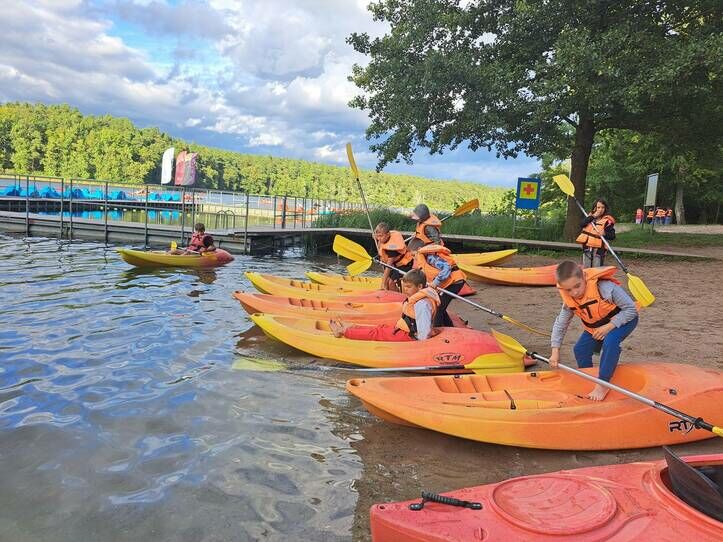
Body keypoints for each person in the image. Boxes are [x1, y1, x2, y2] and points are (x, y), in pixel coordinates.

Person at [549, 261, 639, 401]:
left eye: (577, 286)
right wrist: (555, 351)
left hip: (624, 319)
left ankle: (603, 384)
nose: (574, 293)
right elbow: (561, 324)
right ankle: (589, 379)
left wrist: (609, 326)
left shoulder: (605, 288)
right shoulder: (569, 299)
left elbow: (631, 310)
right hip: (597, 325)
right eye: (569, 290)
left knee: (610, 342)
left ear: (584, 278)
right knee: (580, 349)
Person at [329, 269, 439, 341]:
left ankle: (344, 332)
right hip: (406, 330)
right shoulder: (419, 299)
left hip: (409, 336)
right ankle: (352, 327)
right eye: (404, 286)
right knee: (381, 327)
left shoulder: (422, 304)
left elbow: (423, 332)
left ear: (420, 287)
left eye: (408, 287)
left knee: (376, 333)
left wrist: (420, 341)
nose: (405, 289)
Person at [412, 243, 467, 327]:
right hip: (449, 282)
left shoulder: (431, 257)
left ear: (419, 249)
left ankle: (437, 328)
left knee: (438, 307)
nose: (414, 258)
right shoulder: (425, 257)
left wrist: (436, 282)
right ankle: (449, 326)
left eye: (414, 255)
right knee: (440, 305)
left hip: (455, 282)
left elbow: (446, 267)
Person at [575, 198, 616, 268]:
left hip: (599, 251)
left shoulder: (607, 221)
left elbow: (612, 236)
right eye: (598, 207)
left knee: (597, 269)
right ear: (594, 208)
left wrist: (605, 233)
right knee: (586, 268)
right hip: (587, 248)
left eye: (603, 207)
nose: (600, 209)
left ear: (605, 209)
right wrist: (593, 216)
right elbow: (581, 224)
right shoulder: (589, 218)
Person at [374, 222, 414, 291]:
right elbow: (379, 241)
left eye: (381, 236)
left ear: (388, 234)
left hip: (405, 265)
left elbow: (389, 266)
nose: (379, 238)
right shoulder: (383, 239)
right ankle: (387, 293)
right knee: (387, 281)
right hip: (395, 264)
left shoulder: (392, 248)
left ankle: (398, 296)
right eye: (377, 236)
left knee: (391, 283)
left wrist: (383, 283)